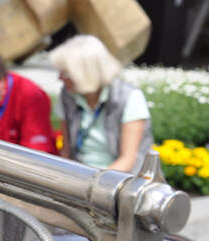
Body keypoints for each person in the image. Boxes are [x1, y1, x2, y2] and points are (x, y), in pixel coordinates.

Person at [49, 34, 153, 173]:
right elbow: (66, 150)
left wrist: (94, 183)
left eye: (65, 73)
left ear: (85, 73)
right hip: (81, 174)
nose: (59, 78)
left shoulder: (129, 97)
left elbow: (128, 160)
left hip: (122, 180)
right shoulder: (67, 94)